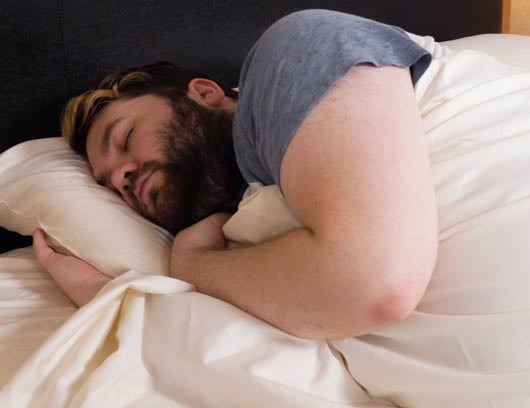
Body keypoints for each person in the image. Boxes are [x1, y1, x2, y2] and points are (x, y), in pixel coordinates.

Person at [33, 9, 439, 339]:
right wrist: (98, 293)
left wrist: (192, 264)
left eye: (124, 138)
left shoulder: (292, 50)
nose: (122, 177)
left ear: (205, 93)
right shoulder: (246, 213)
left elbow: (373, 286)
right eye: (110, 186)